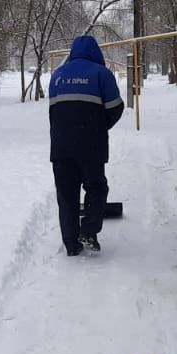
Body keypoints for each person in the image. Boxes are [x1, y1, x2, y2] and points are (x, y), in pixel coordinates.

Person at [48, 35, 124, 256]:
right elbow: (116, 108)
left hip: (61, 147)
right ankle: (89, 231)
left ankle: (71, 244)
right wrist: (99, 126)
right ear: (95, 52)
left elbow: (53, 112)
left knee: (66, 195)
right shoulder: (101, 74)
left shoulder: (57, 75)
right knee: (96, 187)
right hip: (91, 146)